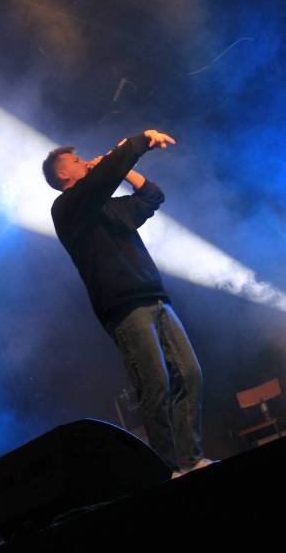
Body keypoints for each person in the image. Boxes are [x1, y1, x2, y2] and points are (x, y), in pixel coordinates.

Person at [42, 129, 214, 478]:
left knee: (190, 374)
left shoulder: (108, 206)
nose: (84, 161)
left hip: (154, 295)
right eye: (76, 160)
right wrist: (134, 144)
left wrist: (126, 167)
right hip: (123, 307)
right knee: (156, 384)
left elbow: (152, 196)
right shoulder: (66, 209)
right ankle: (167, 469)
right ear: (63, 174)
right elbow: (100, 182)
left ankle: (190, 459)